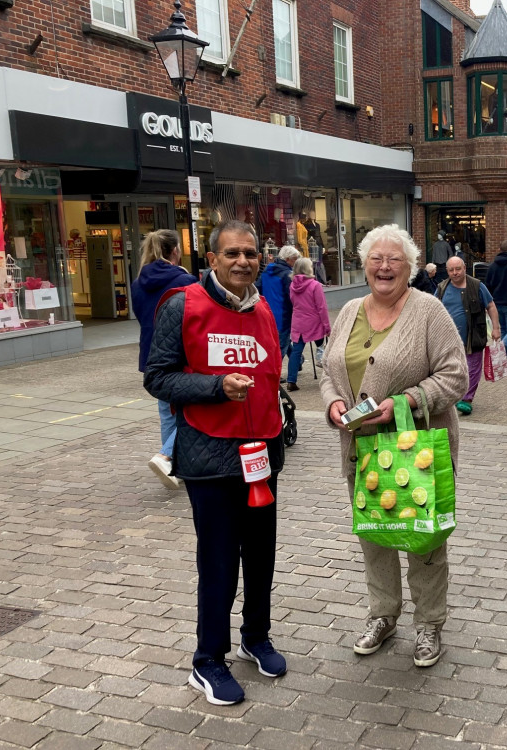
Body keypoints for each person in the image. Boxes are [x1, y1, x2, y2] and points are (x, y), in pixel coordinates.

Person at [144, 220, 287, 706]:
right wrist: (214, 386)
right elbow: (157, 378)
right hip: (210, 454)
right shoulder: (182, 306)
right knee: (220, 561)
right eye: (232, 254)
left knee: (262, 556)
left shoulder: (264, 307)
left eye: (250, 253)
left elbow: (270, 373)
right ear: (212, 259)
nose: (243, 261)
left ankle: (256, 635)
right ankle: (208, 660)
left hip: (259, 454)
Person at [320, 224, 467, 669]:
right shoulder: (348, 311)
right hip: (361, 451)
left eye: (395, 260)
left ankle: (429, 623)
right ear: (364, 264)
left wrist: (403, 401)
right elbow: (328, 371)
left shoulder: (429, 311)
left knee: (423, 540)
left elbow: (455, 376)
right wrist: (333, 404)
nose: (384, 267)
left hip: (415, 448)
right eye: (376, 259)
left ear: (411, 266)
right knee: (375, 538)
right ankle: (383, 615)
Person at [130, 229, 197, 490]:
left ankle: (171, 465)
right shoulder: (185, 280)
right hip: (181, 352)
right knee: (193, 410)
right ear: (174, 251)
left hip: (151, 354)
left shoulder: (138, 283)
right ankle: (167, 456)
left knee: (166, 410)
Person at [436, 256, 501, 415]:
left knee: (472, 368)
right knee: (451, 368)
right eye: (451, 270)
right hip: (448, 339)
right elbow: (433, 308)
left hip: (473, 336)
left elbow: (491, 306)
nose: (455, 273)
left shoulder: (477, 286)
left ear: (464, 268)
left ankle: (467, 398)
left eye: (458, 269)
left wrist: (496, 328)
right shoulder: (442, 287)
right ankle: (454, 395)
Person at [286, 257, 330, 390]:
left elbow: (293, 302)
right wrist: (327, 326)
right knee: (322, 346)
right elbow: (321, 307)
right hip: (314, 322)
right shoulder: (315, 285)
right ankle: (327, 370)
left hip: (299, 321)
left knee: (296, 351)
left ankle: (291, 381)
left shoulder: (292, 285)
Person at [258, 245, 299, 358]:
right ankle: (273, 374)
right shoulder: (288, 275)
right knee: (281, 346)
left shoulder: (267, 271)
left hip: (267, 313)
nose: (296, 262)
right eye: (294, 259)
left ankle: (298, 361)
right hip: (283, 315)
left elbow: (257, 289)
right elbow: (292, 297)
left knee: (282, 341)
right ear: (287, 259)